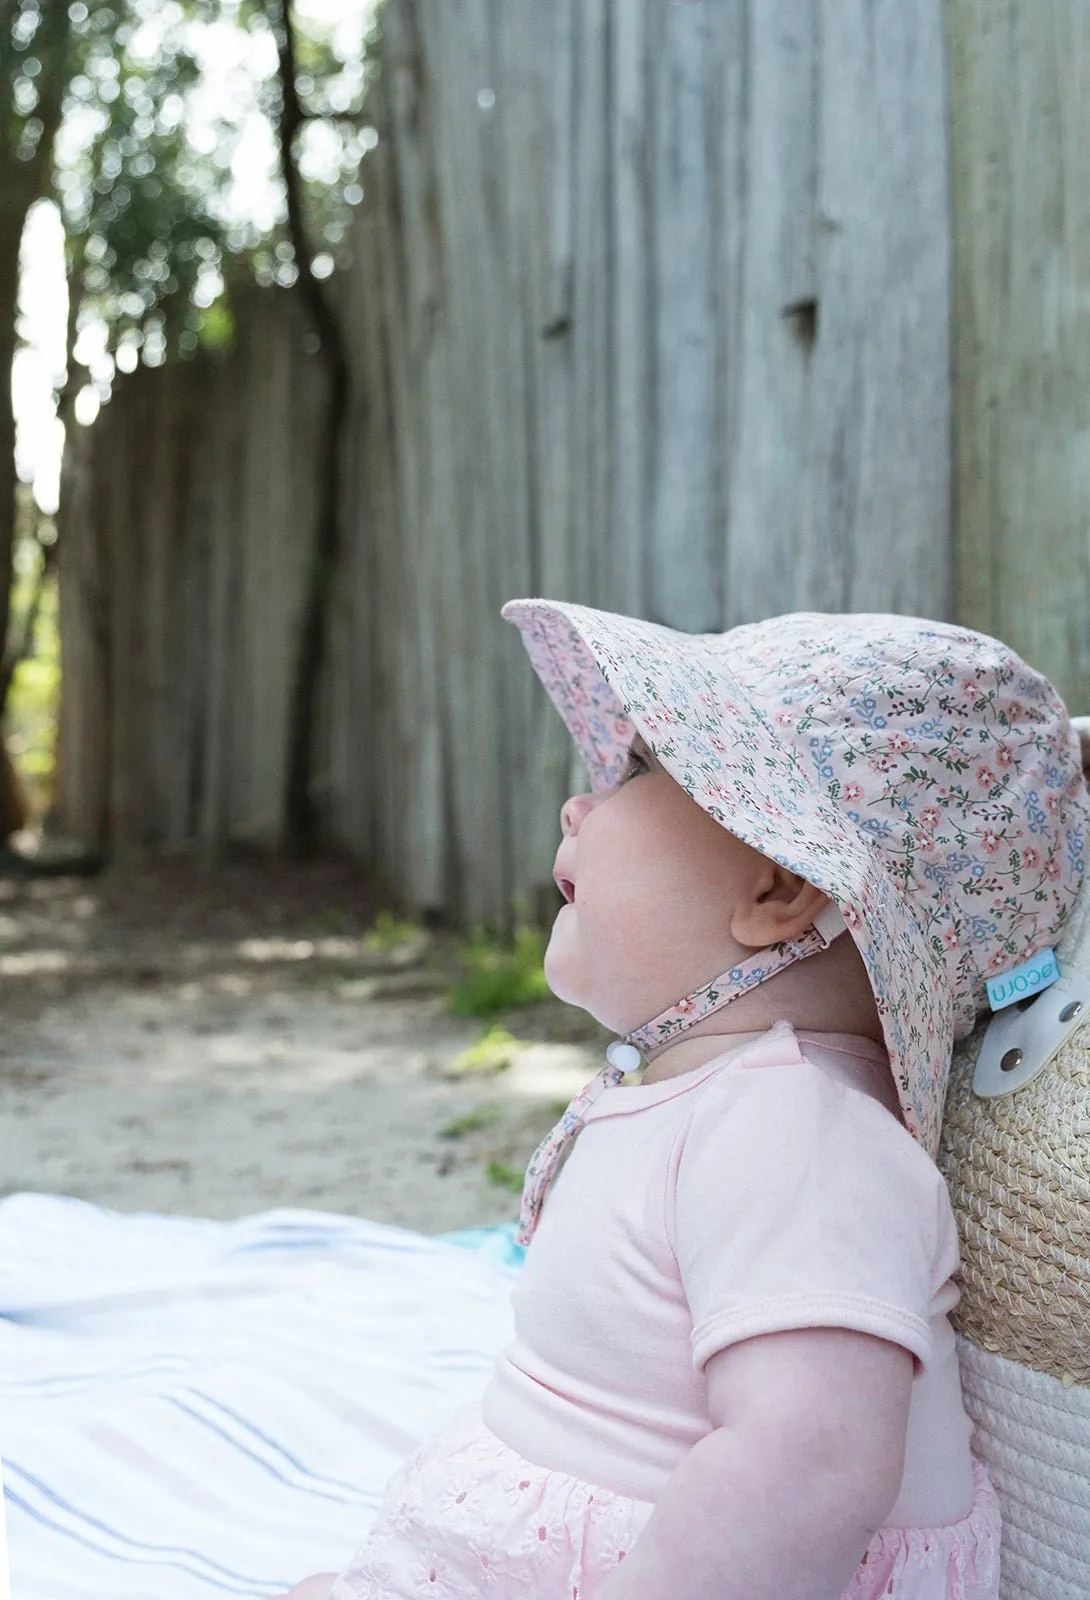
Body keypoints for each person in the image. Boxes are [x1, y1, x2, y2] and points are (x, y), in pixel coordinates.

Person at [281, 601, 1088, 1600]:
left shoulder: (796, 1132)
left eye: (641, 770)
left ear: (779, 886)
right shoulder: (714, 1097)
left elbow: (807, 1465)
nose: (578, 806)